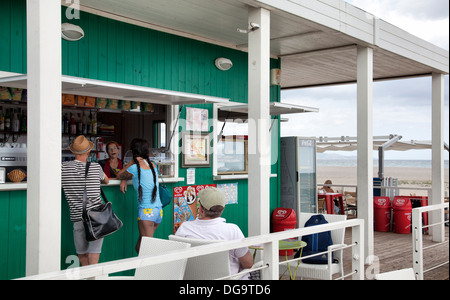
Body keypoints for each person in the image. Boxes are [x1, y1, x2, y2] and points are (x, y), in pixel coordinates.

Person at [175, 187, 253, 279]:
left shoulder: (184, 228)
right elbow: (248, 264)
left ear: (201, 209)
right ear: (223, 209)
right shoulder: (232, 230)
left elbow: (177, 261)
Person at [61, 135, 110, 266]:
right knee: (94, 256)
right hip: (96, 217)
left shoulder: (63, 168)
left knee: (82, 256)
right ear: (88, 152)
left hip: (78, 217)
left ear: (73, 152)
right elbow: (106, 180)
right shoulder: (95, 167)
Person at [116, 138, 162, 254]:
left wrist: (131, 163)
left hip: (146, 212)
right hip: (158, 212)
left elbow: (119, 175)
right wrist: (125, 180)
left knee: (147, 250)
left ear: (133, 151)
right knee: (139, 247)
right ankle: (142, 270)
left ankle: (151, 272)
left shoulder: (133, 167)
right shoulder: (153, 165)